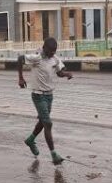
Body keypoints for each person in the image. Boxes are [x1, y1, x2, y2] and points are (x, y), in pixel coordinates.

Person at [18, 37, 73, 165]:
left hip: (49, 96)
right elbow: (20, 59)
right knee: (48, 123)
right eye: (50, 51)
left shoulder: (54, 59)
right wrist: (21, 78)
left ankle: (30, 140)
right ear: (44, 48)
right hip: (38, 95)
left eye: (54, 51)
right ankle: (54, 154)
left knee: (43, 122)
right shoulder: (37, 57)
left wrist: (67, 74)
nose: (52, 53)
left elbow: (59, 72)